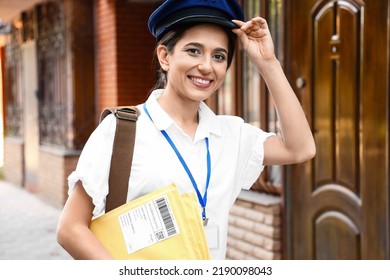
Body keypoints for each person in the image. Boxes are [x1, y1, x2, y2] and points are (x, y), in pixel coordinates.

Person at [57, 0, 316, 260]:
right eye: (193, 51)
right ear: (165, 56)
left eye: (219, 56)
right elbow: (70, 229)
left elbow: (300, 148)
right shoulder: (121, 131)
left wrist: (267, 62)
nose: (206, 66)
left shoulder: (231, 135)